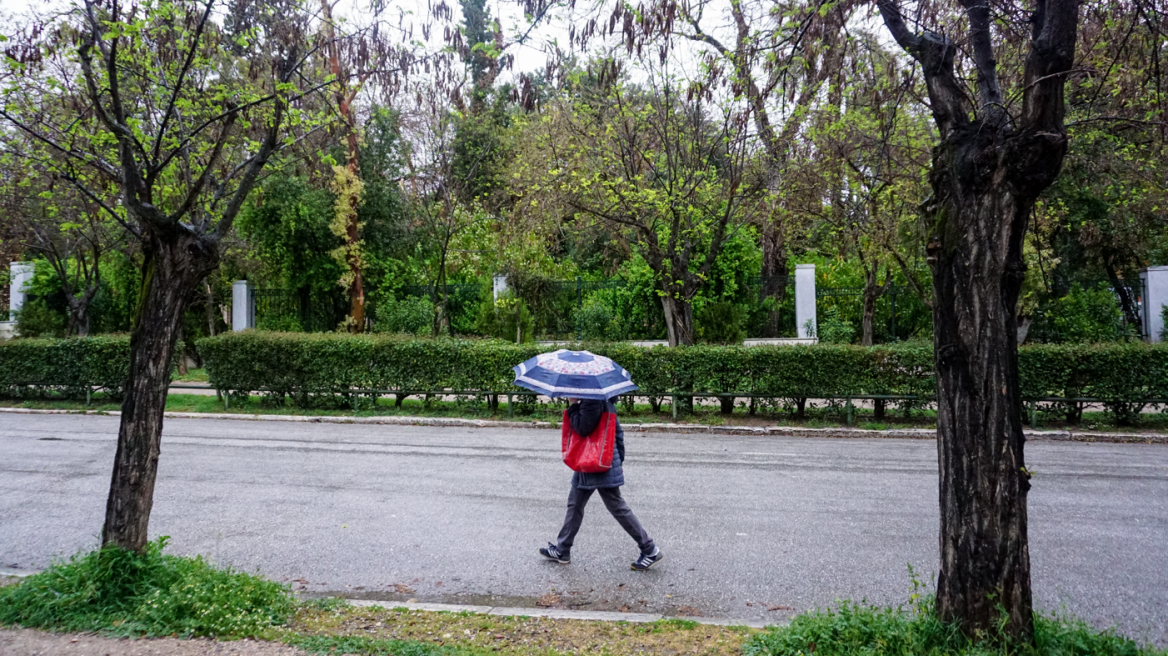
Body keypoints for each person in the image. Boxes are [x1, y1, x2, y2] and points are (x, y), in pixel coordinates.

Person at [540, 396, 663, 570]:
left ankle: (649, 549)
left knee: (617, 507)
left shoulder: (592, 401)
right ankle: (562, 549)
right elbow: (618, 432)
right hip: (595, 461)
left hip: (596, 463)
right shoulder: (605, 400)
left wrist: (574, 405)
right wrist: (618, 461)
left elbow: (582, 428)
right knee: (575, 504)